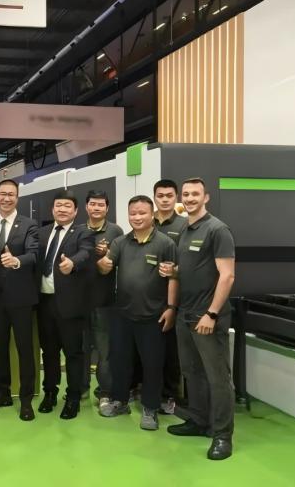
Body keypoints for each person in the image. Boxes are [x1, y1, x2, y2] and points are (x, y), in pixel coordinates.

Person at [163, 178, 236, 460]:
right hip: (186, 314)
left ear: (206, 197)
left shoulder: (217, 229)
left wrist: (212, 313)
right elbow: (190, 270)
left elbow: (227, 276)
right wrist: (173, 271)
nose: (190, 198)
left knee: (218, 378)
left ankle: (222, 436)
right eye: (186, 194)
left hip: (207, 316)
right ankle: (199, 420)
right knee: (192, 372)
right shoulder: (184, 229)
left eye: (195, 194)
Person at [97, 195, 177, 431]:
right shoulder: (120, 242)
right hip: (122, 314)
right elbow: (104, 267)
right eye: (133, 213)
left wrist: (171, 308)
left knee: (152, 364)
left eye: (142, 213)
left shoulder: (165, 244)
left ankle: (150, 408)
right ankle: (120, 401)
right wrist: (102, 264)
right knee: (120, 361)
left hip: (153, 315)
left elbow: (174, 278)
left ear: (152, 215)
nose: (137, 217)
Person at [0, 179, 39, 421]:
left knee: (25, 350)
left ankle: (26, 400)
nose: (6, 198)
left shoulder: (29, 224)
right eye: (2, 194)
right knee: (0, 349)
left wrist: (16, 261)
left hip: (21, 299)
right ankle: (2, 392)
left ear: (17, 197)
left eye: (11, 194)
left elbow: (34, 254)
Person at [35, 189, 94, 420]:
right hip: (44, 302)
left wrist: (72, 263)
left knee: (73, 354)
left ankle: (73, 398)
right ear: (52, 209)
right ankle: (50, 393)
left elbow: (86, 253)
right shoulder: (42, 232)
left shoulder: (83, 233)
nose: (62, 209)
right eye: (58, 205)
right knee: (49, 352)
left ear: (76, 211)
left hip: (70, 304)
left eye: (67, 206)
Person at [82, 190, 123, 413]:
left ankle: (105, 393)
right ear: (86, 207)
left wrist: (107, 254)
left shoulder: (115, 231)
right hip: (80, 301)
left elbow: (119, 261)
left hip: (105, 301)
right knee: (81, 348)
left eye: (100, 205)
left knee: (104, 351)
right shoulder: (79, 230)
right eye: (92, 204)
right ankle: (80, 388)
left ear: (107, 208)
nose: (96, 208)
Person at [153, 178, 189, 414]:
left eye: (169, 196)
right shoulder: (146, 221)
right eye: (160, 195)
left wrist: (176, 270)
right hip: (149, 296)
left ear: (176, 198)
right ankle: (148, 389)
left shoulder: (185, 225)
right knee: (149, 348)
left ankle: (169, 395)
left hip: (176, 298)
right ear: (154, 197)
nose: (165, 200)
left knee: (171, 350)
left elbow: (192, 261)